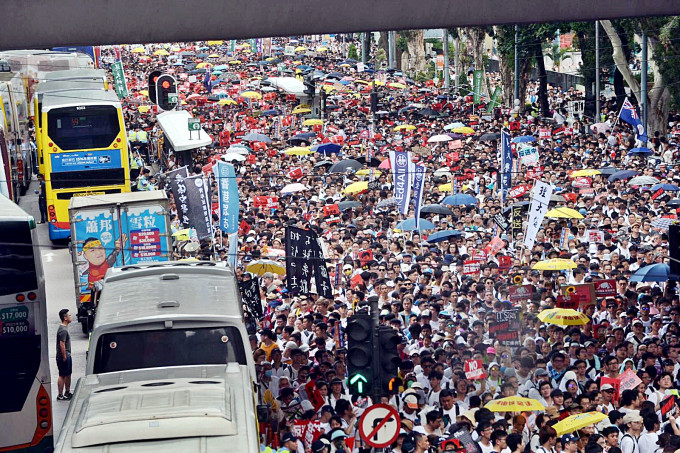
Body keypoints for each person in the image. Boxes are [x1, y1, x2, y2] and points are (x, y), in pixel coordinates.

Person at [56, 309, 72, 401]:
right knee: (62, 374)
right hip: (63, 356)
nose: (71, 317)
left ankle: (67, 392)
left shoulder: (64, 328)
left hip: (67, 355)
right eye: (69, 315)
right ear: (65, 318)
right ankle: (60, 394)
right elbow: (62, 344)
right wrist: (64, 356)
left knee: (68, 374)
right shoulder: (63, 330)